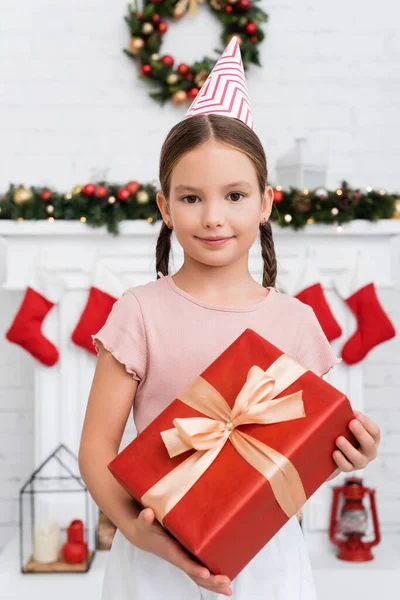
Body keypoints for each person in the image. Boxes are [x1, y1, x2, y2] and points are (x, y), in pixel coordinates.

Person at [78, 37, 380, 600]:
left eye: (235, 195)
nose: (213, 217)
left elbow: (296, 454)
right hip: (152, 557)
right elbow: (97, 451)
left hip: (266, 556)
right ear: (165, 208)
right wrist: (150, 542)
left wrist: (347, 456)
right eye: (191, 199)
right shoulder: (138, 312)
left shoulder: (295, 321)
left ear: (266, 203)